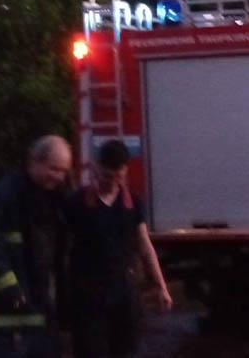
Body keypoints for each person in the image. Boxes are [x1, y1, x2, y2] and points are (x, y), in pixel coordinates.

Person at [66, 139, 172, 358]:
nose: (113, 182)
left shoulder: (132, 203)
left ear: (125, 170)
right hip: (88, 295)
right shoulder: (77, 202)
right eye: (107, 176)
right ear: (96, 168)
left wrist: (161, 286)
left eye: (119, 176)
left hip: (124, 293)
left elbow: (144, 245)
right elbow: (63, 247)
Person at [0, 136, 71, 358]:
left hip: (39, 320)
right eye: (54, 169)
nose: (59, 177)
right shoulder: (5, 196)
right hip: (5, 326)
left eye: (64, 171)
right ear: (34, 162)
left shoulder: (55, 199)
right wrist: (10, 289)